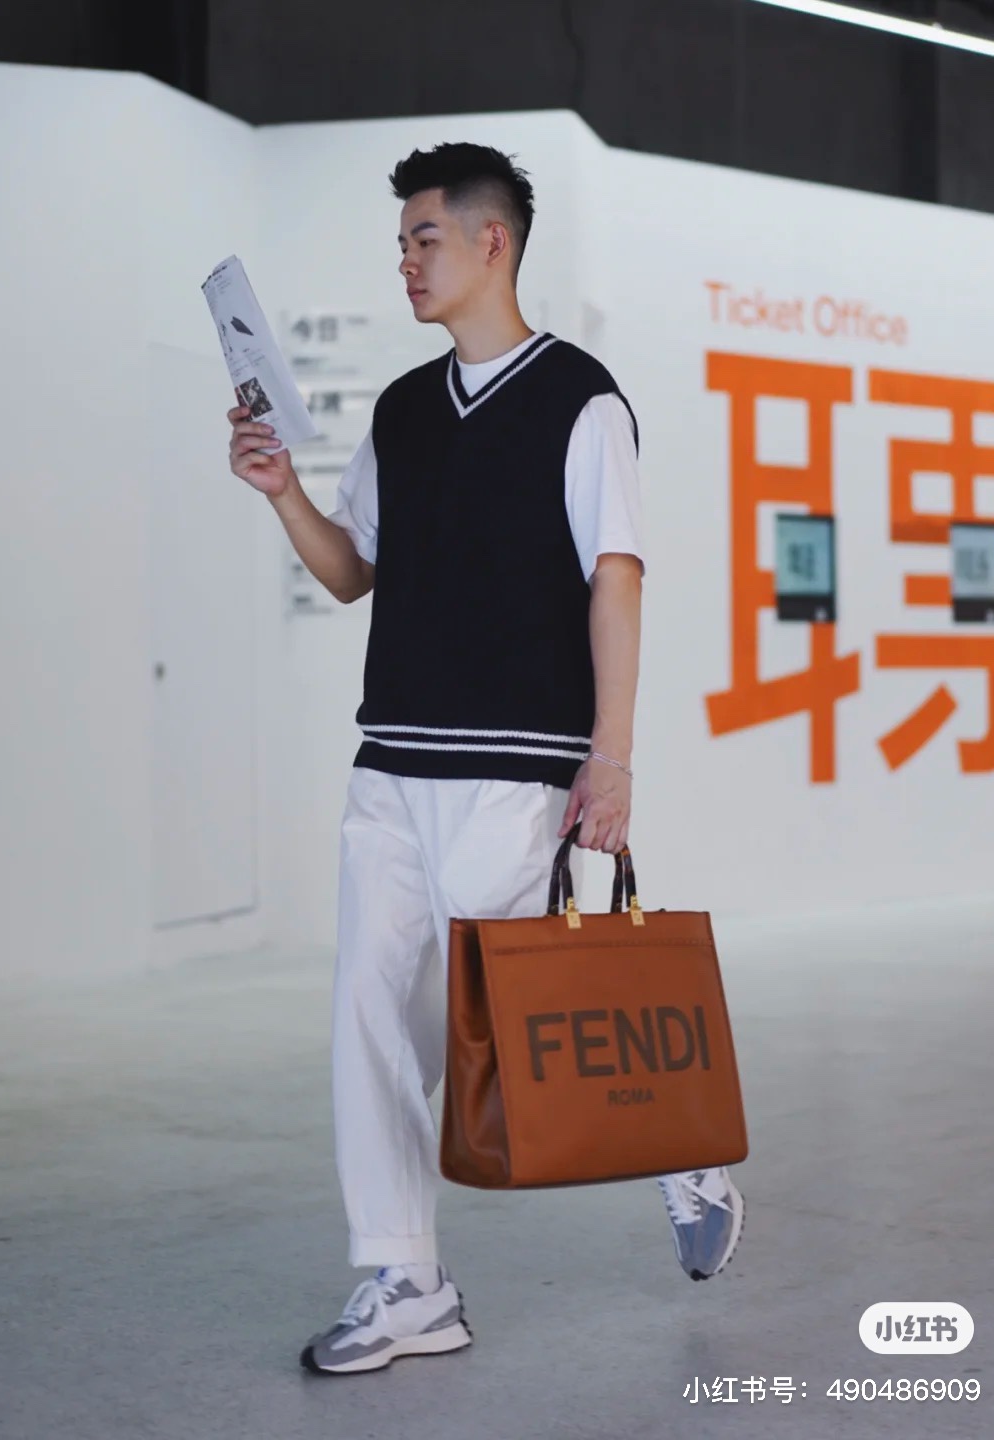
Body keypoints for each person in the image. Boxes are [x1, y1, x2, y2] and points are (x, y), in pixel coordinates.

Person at [226, 142, 744, 1378]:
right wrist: (282, 491)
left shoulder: (581, 399)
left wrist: (612, 759)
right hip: (390, 762)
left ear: (490, 241)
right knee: (369, 1018)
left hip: (518, 768)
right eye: (402, 242)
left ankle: (682, 1146)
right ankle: (406, 1281)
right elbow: (352, 569)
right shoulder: (404, 411)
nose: (405, 262)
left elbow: (618, 579)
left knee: (497, 1023)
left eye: (423, 238)